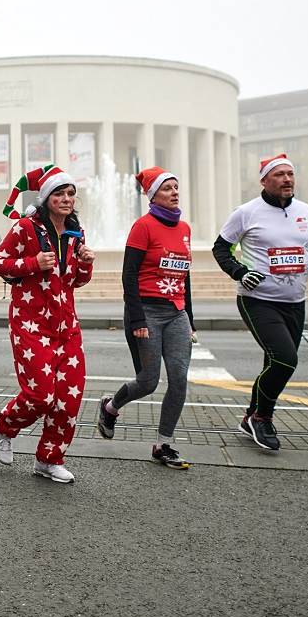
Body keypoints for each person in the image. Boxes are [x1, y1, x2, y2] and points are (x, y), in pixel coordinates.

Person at [212, 154, 308, 451]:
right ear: (264, 180)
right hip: (257, 300)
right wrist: (240, 271)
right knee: (286, 359)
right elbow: (221, 249)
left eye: (290, 174)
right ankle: (262, 417)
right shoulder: (246, 212)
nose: (287, 179)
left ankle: (251, 416)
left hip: (295, 301)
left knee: (274, 361)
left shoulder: (307, 211)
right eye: (279, 175)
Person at [0, 165, 95, 483]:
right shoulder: (26, 227)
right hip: (30, 322)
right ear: (47, 198)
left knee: (68, 399)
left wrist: (87, 265)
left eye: (71, 194)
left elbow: (74, 280)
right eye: (60, 193)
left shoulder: (76, 232)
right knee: (40, 396)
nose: (66, 199)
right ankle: (4, 426)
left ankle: (49, 458)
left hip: (67, 327)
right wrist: (34, 263)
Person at [97, 167, 194, 468]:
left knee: (178, 379)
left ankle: (164, 444)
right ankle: (111, 407)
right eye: (167, 188)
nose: (175, 192)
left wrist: (190, 318)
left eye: (176, 187)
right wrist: (137, 320)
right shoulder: (143, 226)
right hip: (147, 312)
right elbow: (129, 275)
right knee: (149, 382)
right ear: (153, 195)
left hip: (176, 313)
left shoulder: (185, 229)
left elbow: (184, 277)